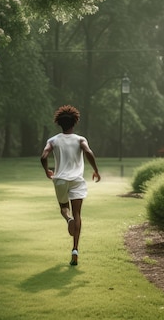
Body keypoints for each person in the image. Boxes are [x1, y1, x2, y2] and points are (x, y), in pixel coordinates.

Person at [40, 105, 101, 266]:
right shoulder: (80, 139)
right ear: (74, 122)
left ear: (59, 123)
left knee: (63, 208)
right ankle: (75, 249)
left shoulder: (53, 140)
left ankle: (68, 220)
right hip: (77, 180)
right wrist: (96, 170)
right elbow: (88, 152)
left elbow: (43, 156)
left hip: (60, 180)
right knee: (78, 214)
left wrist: (47, 170)